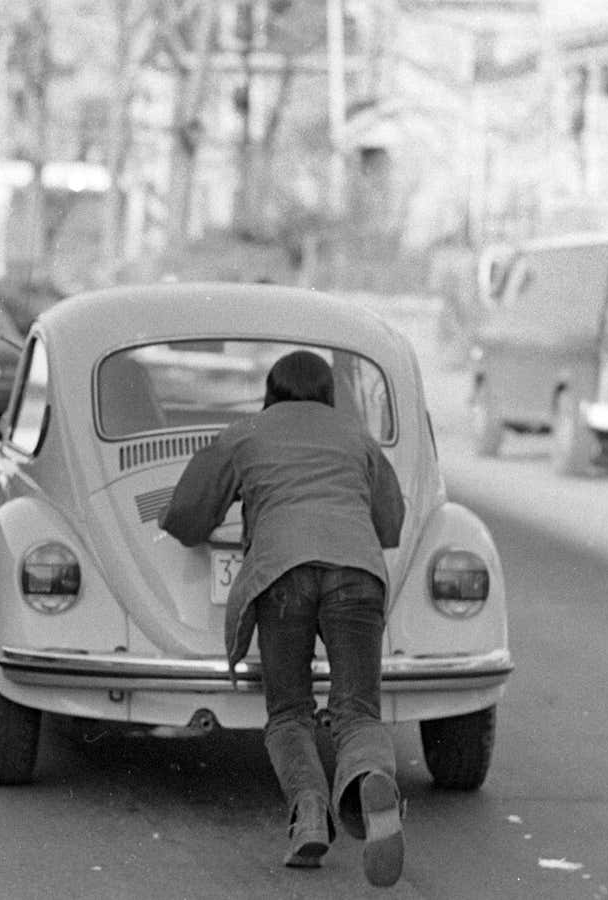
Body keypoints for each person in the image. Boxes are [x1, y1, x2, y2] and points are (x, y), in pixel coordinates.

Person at [160, 349, 407, 887]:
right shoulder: (355, 436)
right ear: (329, 396)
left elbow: (186, 514)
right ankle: (367, 777)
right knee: (357, 711)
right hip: (357, 573)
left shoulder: (246, 434)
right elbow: (391, 523)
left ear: (269, 395)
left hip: (283, 574)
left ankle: (309, 815)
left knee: (289, 712)